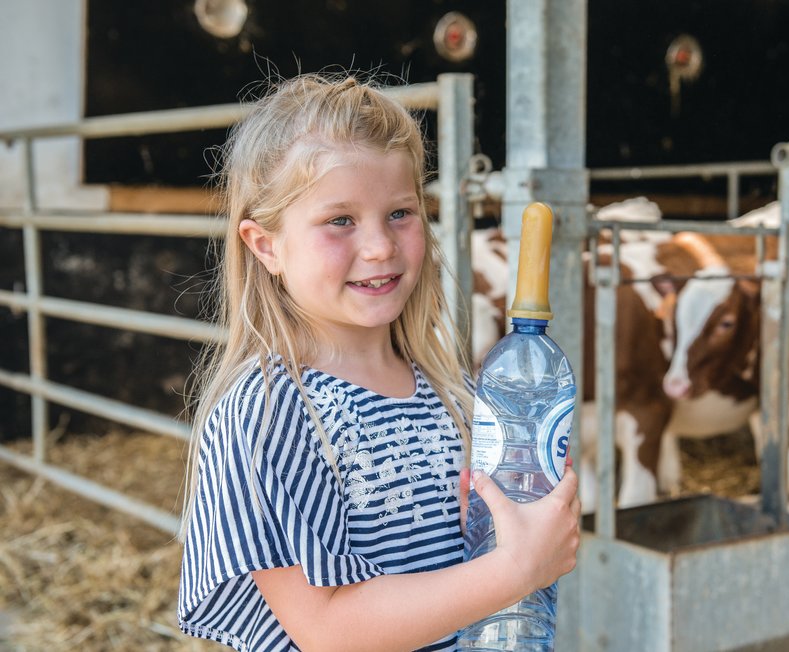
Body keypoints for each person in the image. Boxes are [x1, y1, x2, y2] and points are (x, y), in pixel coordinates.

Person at [177, 73, 581, 652]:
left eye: (400, 213)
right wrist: (517, 570)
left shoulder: (451, 391)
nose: (380, 247)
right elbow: (329, 631)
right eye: (340, 220)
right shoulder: (268, 412)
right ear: (265, 245)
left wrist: (536, 524)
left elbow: (482, 568)